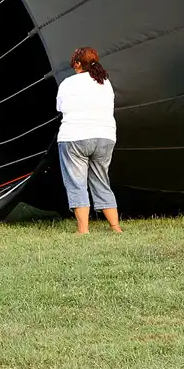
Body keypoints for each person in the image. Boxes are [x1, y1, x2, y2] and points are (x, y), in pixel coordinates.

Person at [56, 47, 122, 234]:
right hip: (105, 136)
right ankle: (115, 227)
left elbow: (60, 108)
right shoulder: (105, 82)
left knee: (77, 183)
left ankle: (83, 229)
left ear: (77, 64)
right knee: (101, 181)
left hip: (74, 137)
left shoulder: (68, 83)